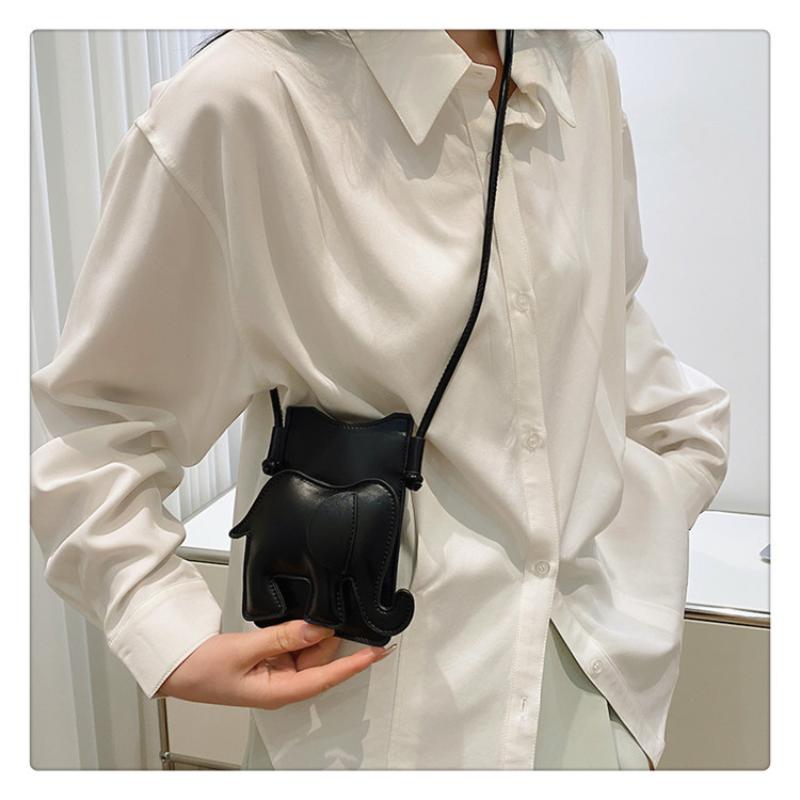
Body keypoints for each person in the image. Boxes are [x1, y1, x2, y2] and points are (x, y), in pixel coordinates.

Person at [30, 29, 731, 770]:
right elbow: (100, 428)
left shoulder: (578, 65)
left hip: (591, 678)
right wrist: (163, 629)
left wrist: (679, 461)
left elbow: (608, 315)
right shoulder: (247, 99)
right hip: (377, 725)